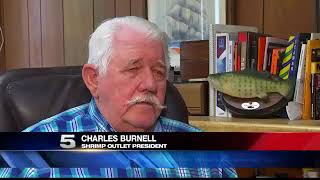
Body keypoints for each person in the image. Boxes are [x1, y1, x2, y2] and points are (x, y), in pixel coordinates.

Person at [0, 16, 237, 178]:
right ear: (93, 78)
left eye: (158, 72)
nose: (150, 84)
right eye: (133, 70)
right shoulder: (34, 151)